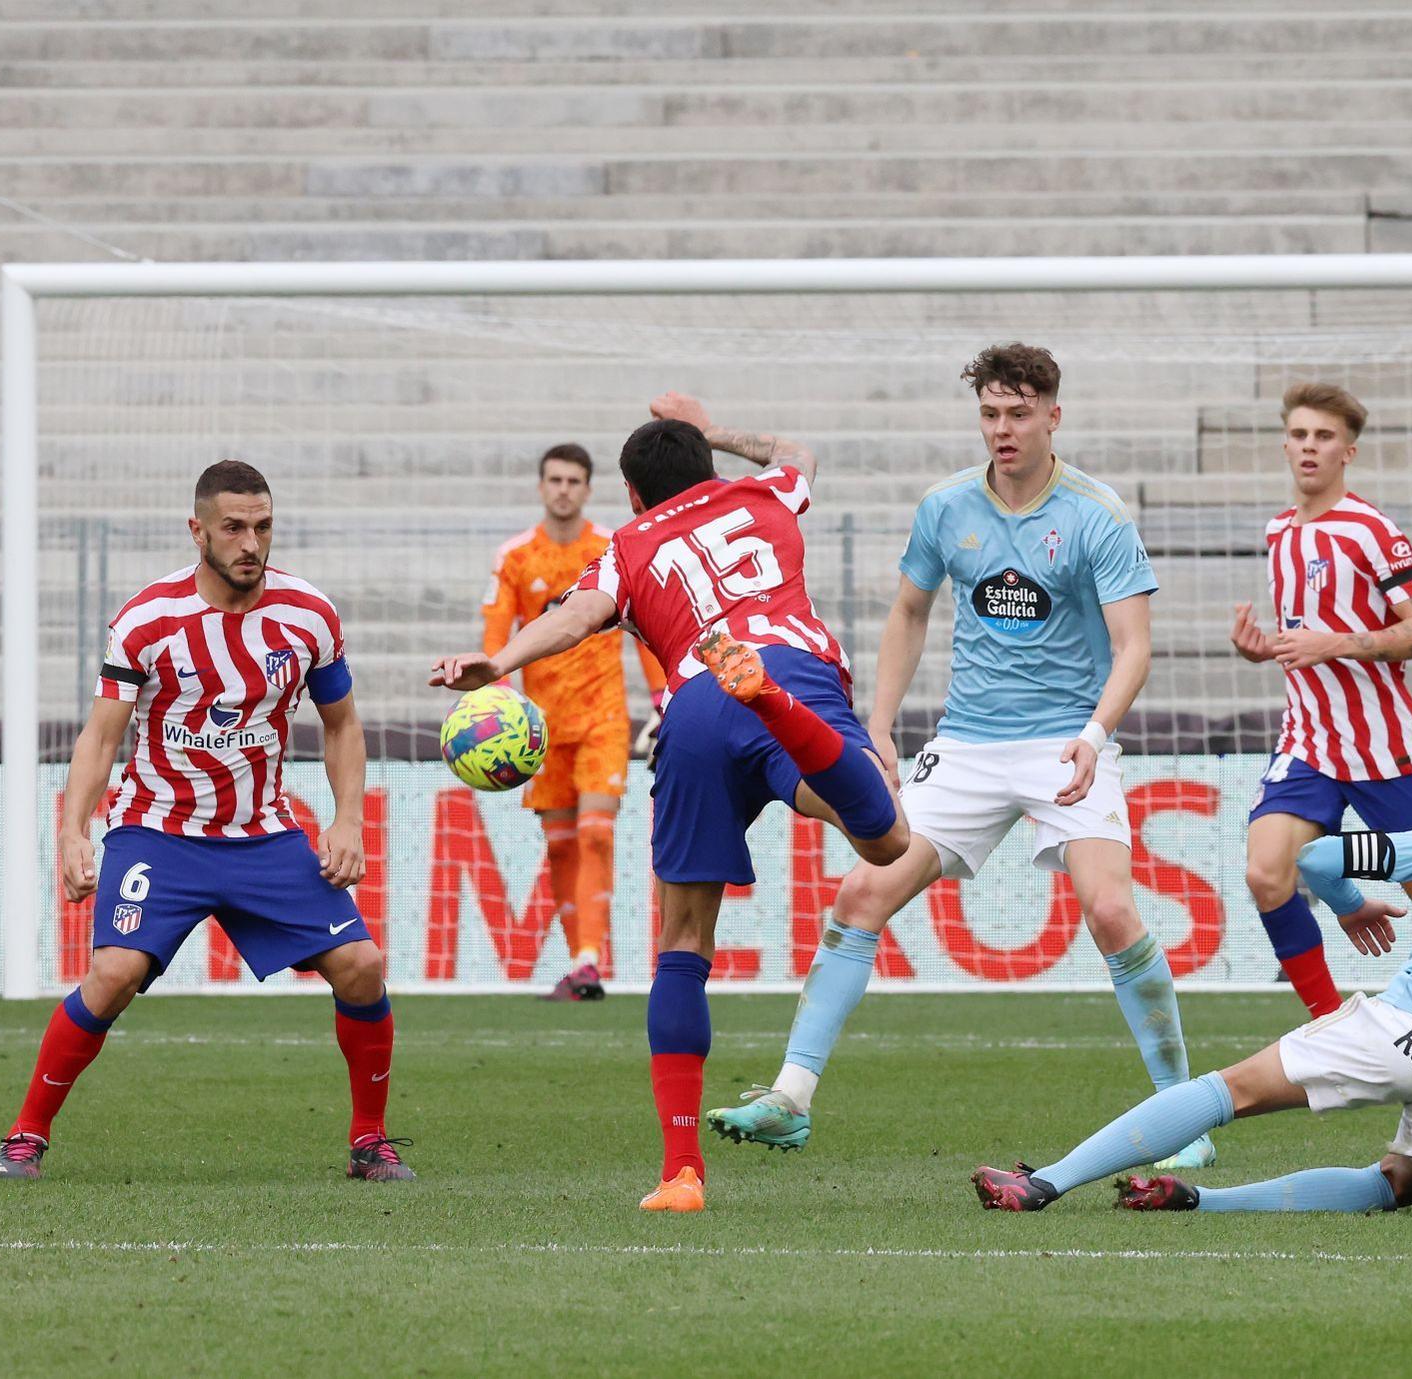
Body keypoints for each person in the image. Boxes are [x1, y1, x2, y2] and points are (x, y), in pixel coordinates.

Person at [708, 342, 1212, 1171]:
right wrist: (878, 726)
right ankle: (789, 1099)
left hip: (1065, 746)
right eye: (990, 413)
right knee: (863, 889)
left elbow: (1134, 646)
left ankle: (1182, 1118)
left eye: (1019, 413)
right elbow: (909, 611)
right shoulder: (946, 506)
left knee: (1113, 912)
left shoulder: (1097, 513)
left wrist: (1092, 735)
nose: (1003, 429)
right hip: (969, 744)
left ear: (1054, 414)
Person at [432, 396, 907, 1213]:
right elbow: (800, 447)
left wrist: (498, 662)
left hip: (691, 708)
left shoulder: (625, 545)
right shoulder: (766, 495)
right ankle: (789, 723)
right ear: (710, 467)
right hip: (782, 669)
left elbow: (578, 616)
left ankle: (681, 1173)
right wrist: (713, 426)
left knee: (681, 944)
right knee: (888, 840)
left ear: (628, 490)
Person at [0, 461, 410, 1184]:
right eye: (235, 527)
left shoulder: (309, 615)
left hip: (261, 833)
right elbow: (99, 737)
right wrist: (72, 829)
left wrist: (348, 819)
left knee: (364, 966)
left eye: (264, 526)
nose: (252, 542)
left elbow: (341, 726)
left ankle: (370, 1141)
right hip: (158, 829)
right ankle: (26, 1134)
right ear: (199, 531)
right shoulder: (148, 620)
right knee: (113, 972)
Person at [973, 825, 1412, 1215]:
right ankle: (1200, 1203)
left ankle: (1045, 1184)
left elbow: (1318, 858)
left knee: (1230, 1090)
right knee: (1393, 1186)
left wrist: (1353, 908)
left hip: (1404, 1028)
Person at [1229, 382, 1412, 1017]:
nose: (1308, 447)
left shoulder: (1371, 530)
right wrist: (1261, 648)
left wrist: (1336, 645)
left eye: (1323, 437)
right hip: (1308, 744)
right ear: (1284, 443)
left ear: (1347, 451)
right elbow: (1305, 635)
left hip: (1384, 748)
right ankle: (1330, 1022)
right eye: (1299, 435)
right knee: (1266, 873)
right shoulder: (1279, 532)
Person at [482, 442, 666, 1000]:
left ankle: (590, 959)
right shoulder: (515, 557)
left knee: (594, 832)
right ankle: (579, 963)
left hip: (603, 718)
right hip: (537, 729)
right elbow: (496, 637)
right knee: (560, 844)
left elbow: (644, 629)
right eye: (554, 480)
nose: (563, 489)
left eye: (573, 481)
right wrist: (498, 698)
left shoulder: (611, 549)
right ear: (542, 487)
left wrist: (663, 699)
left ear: (588, 490)